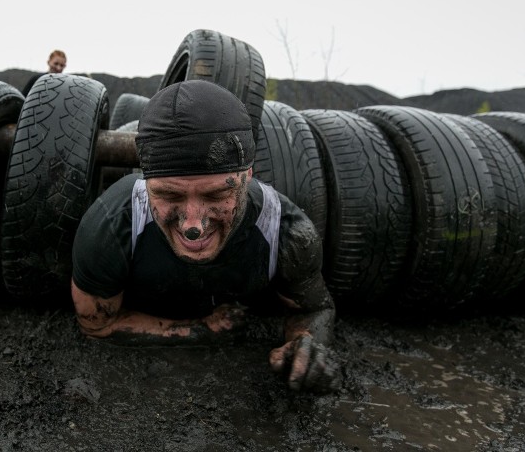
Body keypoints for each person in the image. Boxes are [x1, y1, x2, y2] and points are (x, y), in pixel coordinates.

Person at [71, 80, 338, 393]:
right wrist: (201, 331)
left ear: (247, 176)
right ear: (147, 182)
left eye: (216, 195)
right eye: (169, 195)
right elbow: (96, 324)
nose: (192, 226)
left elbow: (314, 308)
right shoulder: (110, 224)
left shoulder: (288, 232)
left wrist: (305, 343)